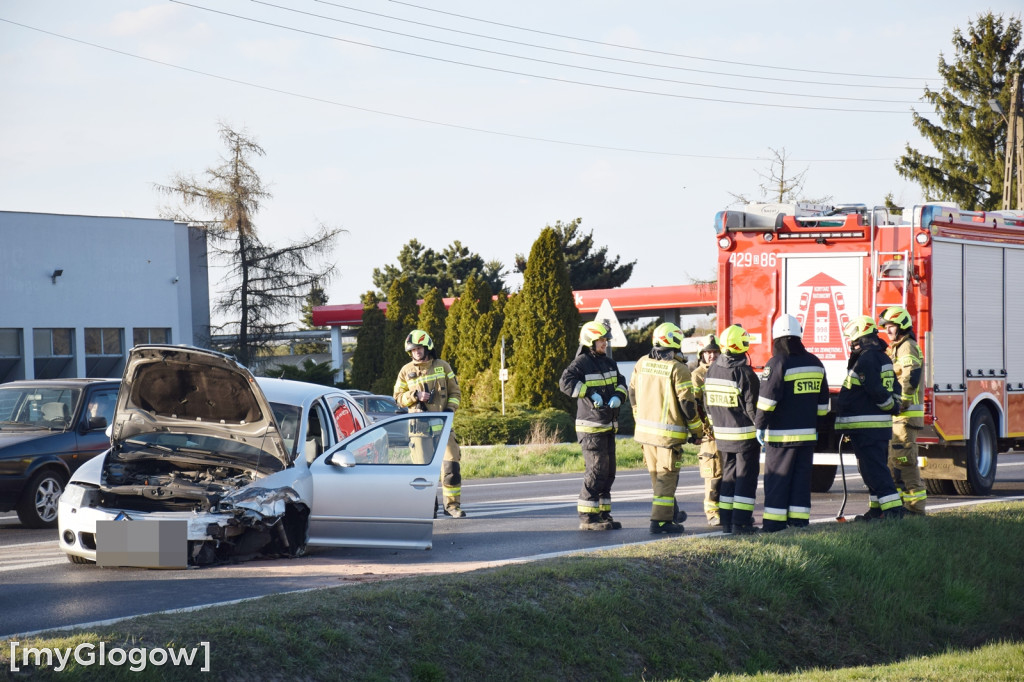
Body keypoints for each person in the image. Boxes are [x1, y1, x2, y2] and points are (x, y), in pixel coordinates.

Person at [754, 315, 830, 532]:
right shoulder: (816, 363)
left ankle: (774, 525)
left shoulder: (777, 363)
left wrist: (759, 425)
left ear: (776, 338)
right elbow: (823, 405)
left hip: (781, 438)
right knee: (801, 481)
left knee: (778, 480)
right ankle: (798, 523)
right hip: (807, 437)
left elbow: (767, 401)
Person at [629, 322, 704, 534]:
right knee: (666, 477)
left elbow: (632, 392)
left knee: (657, 478)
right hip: (667, 437)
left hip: (645, 434)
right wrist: (697, 432)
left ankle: (671, 513)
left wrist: (637, 415)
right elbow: (687, 404)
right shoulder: (678, 369)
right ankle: (660, 522)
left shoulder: (642, 363)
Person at [835, 316, 906, 521]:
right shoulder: (882, 357)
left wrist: (889, 406)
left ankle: (893, 511)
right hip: (874, 427)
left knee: (875, 470)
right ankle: (877, 510)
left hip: (867, 427)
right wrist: (892, 405)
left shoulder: (867, 359)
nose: (851, 342)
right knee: (872, 469)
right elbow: (895, 388)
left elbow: (875, 390)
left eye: (852, 337)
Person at [559, 321, 628, 531]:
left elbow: (621, 382)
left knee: (608, 473)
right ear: (590, 341)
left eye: (606, 340)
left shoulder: (608, 363)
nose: (605, 344)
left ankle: (603, 514)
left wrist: (618, 396)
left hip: (607, 425)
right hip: (590, 427)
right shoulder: (580, 363)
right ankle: (588, 518)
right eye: (602, 340)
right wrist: (590, 392)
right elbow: (565, 383)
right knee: (596, 471)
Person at [393, 329, 466, 518]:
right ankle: (428, 508)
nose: (416, 352)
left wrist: (450, 411)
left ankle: (452, 507)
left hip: (443, 426)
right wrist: (414, 396)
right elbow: (398, 398)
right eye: (413, 349)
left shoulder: (443, 366)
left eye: (419, 348)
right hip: (419, 429)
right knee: (424, 472)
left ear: (428, 348)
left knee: (451, 467)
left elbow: (455, 393)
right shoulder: (405, 371)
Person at [702, 324, 761, 534]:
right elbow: (752, 407)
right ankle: (742, 522)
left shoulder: (712, 370)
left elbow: (707, 403)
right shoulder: (744, 372)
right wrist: (762, 428)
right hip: (745, 437)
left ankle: (727, 521)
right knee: (746, 479)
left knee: (728, 478)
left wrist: (715, 423)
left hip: (722, 436)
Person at [879, 305, 927, 515]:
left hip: (905, 416)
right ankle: (900, 509)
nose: (888, 331)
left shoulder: (907, 347)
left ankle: (915, 510)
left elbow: (910, 377)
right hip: (899, 417)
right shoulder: (897, 348)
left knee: (904, 463)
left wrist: (902, 403)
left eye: (891, 326)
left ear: (902, 326)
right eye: (886, 327)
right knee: (894, 464)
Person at [690, 334, 723, 526]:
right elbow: (695, 406)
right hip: (709, 434)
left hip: (726, 431)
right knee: (713, 474)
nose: (712, 355)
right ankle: (712, 512)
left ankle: (724, 510)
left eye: (715, 351)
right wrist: (702, 429)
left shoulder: (724, 371)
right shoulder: (697, 376)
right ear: (701, 354)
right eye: (708, 352)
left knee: (727, 474)